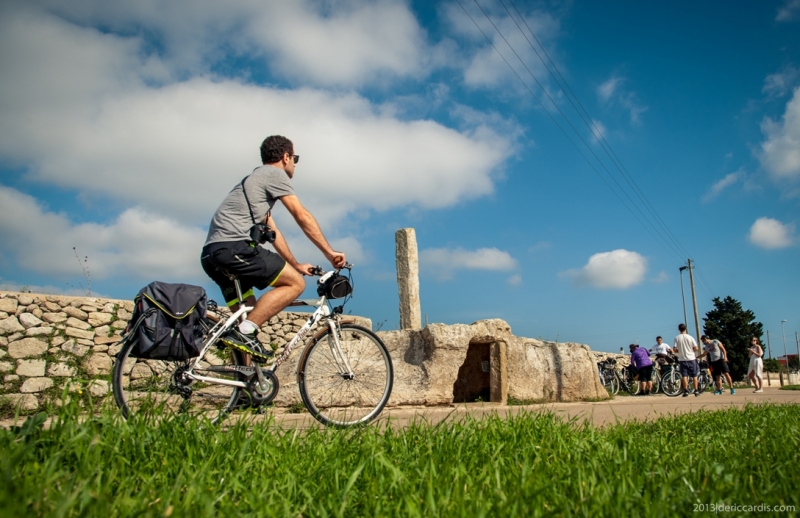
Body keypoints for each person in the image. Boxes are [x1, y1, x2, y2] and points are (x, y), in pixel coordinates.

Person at [201, 135, 346, 359]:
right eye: (294, 158)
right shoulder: (274, 173)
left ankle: (244, 386)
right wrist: (329, 252)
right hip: (234, 248)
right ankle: (245, 333)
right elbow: (301, 215)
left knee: (247, 315)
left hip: (212, 255)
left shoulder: (252, 184)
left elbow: (273, 233)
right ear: (285, 156)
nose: (294, 164)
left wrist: (295, 264)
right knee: (295, 284)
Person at [672, 323, 700, 397]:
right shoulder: (690, 337)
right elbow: (696, 348)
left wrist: (679, 351)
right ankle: (696, 390)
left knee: (684, 375)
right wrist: (691, 350)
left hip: (682, 359)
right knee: (694, 375)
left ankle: (686, 390)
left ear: (679, 329)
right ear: (686, 328)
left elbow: (674, 349)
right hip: (691, 358)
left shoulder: (677, 338)